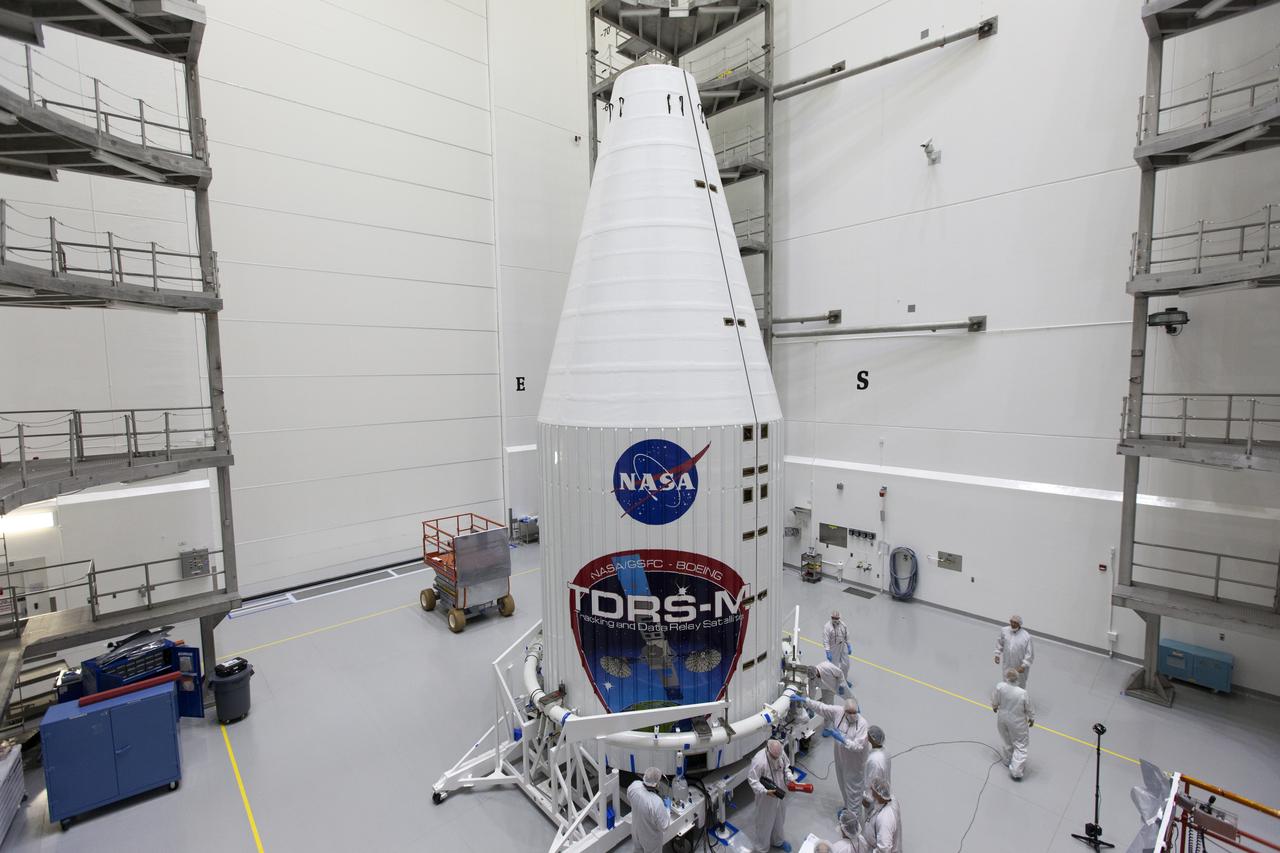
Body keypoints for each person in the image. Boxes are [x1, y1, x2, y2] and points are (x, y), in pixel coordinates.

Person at [793, 695, 868, 815]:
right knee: (842, 784)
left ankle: (853, 819)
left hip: (854, 764)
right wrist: (805, 701)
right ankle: (847, 806)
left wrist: (842, 739)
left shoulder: (862, 724)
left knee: (853, 790)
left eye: (855, 712)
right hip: (840, 758)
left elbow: (858, 747)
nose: (853, 715)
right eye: (850, 712)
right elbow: (822, 708)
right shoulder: (839, 712)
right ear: (845, 711)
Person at [747, 739, 796, 852]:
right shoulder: (759, 760)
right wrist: (764, 791)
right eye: (774, 757)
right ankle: (762, 848)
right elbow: (752, 780)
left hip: (780, 792)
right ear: (768, 750)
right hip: (765, 798)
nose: (776, 759)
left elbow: (786, 767)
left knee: (779, 819)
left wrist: (790, 777)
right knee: (764, 823)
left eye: (778, 756)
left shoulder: (780, 753)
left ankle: (778, 841)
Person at [992, 668, 1034, 780]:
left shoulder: (1000, 686)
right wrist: (1032, 718)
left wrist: (995, 706)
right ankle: (1016, 771)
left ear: (1006, 677)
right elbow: (1029, 707)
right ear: (1017, 678)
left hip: (1002, 718)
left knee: (1006, 740)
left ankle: (1007, 760)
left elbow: (995, 699)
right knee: (1020, 744)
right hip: (1017, 722)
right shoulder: (1022, 693)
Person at [626, 766, 671, 853]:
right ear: (657, 784)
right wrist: (668, 809)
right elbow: (664, 826)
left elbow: (629, 797)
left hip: (636, 831)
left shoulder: (634, 786)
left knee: (638, 850)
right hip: (650, 839)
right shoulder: (656, 802)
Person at [856, 779, 901, 853]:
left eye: (873, 790)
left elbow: (884, 849)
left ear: (879, 794)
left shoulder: (885, 819)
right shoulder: (891, 800)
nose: (870, 789)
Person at [993, 614, 1034, 688]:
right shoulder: (1004, 630)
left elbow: (1030, 653)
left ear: (1019, 624)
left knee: (1019, 682)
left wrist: (1024, 666)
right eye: (1011, 622)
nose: (1013, 624)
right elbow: (1000, 642)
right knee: (1006, 678)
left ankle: (1019, 697)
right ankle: (1006, 695)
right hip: (1007, 662)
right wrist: (997, 654)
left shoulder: (1026, 636)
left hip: (1019, 665)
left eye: (1015, 623)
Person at [862, 726, 890, 810]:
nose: (867, 734)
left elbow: (872, 780)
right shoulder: (885, 751)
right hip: (882, 791)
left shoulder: (875, 761)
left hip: (874, 800)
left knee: (870, 818)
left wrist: (867, 799)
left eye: (869, 734)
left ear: (873, 739)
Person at [824, 610, 852, 683]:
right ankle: (836, 682)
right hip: (834, 647)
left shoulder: (843, 625)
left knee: (846, 665)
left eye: (837, 618)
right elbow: (826, 640)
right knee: (834, 666)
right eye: (833, 618)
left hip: (843, 645)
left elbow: (847, 635)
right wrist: (827, 651)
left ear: (839, 618)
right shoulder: (827, 627)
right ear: (831, 617)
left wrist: (848, 645)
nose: (835, 620)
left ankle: (844, 681)